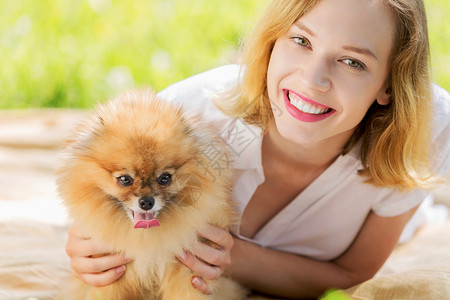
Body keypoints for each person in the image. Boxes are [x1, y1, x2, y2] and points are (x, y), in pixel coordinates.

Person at [64, 0, 450, 298]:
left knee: (424, 214)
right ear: (271, 42)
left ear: (390, 84)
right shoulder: (186, 122)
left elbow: (352, 273)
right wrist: (88, 245)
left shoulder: (424, 131)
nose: (313, 81)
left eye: (352, 62)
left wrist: (234, 257)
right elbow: (96, 192)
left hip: (406, 214)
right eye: (301, 41)